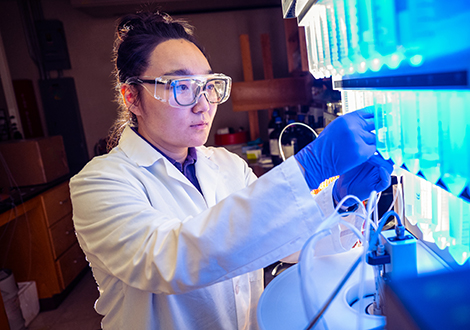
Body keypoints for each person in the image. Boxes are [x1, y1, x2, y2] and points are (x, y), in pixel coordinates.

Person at [70, 11, 393, 330]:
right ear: (132, 97)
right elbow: (171, 259)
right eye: (181, 86)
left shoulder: (227, 166)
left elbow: (282, 242)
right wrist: (310, 167)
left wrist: (341, 199)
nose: (203, 104)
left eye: (208, 85)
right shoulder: (97, 184)